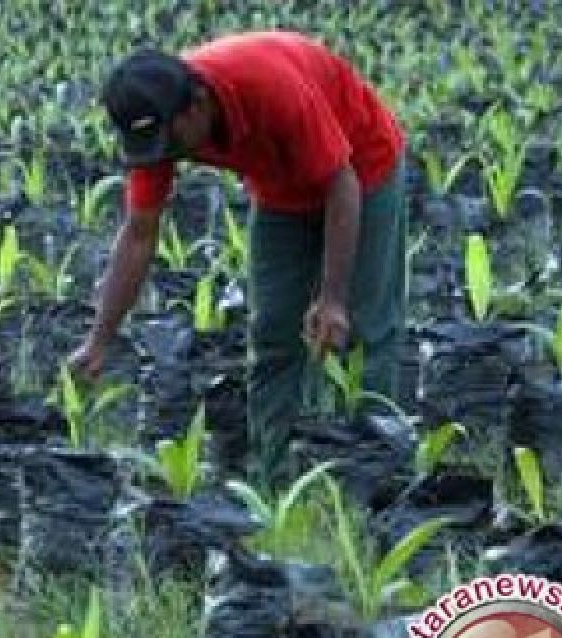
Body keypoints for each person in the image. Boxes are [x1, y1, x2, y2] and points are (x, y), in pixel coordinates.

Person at [68, 31, 407, 485]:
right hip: (280, 188)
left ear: (198, 104)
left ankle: (374, 480)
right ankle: (274, 475)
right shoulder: (161, 125)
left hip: (362, 169)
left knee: (364, 327)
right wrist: (99, 339)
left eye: (170, 142)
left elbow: (340, 182)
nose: (165, 157)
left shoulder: (269, 88)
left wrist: (332, 297)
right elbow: (139, 234)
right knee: (272, 329)